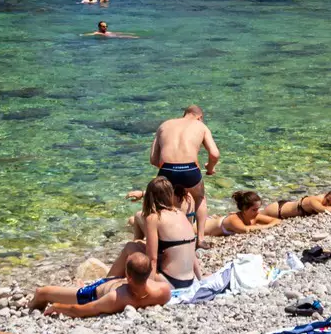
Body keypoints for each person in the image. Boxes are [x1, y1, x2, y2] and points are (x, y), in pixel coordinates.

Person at [113, 177, 201, 293]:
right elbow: (191, 251)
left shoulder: (154, 218)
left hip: (171, 282)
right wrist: (200, 279)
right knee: (138, 244)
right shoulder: (180, 214)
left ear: (149, 197)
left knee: (130, 247)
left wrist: (149, 287)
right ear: (170, 195)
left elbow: (152, 259)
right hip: (189, 280)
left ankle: (107, 281)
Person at [150, 105, 220, 237]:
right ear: (200, 117)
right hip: (190, 169)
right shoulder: (201, 126)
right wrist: (210, 169)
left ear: (184, 114)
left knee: (163, 204)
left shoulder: (164, 125)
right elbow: (215, 154)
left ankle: (163, 237)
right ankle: (200, 239)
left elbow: (153, 159)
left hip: (167, 169)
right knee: (199, 199)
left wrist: (172, 170)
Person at [32, 252, 172, 317]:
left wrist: (57, 307)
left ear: (128, 275)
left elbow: (81, 310)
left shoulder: (115, 298)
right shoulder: (163, 291)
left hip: (92, 293)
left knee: (42, 292)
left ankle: (30, 308)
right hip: (116, 283)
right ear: (149, 274)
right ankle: (78, 285)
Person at [212, 190, 281, 236]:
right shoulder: (233, 219)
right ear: (244, 209)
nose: (258, 212)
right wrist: (267, 225)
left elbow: (277, 220)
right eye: (254, 209)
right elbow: (246, 230)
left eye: (258, 209)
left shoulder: (255, 216)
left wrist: (260, 226)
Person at [262, 187, 331, 218]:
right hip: (276, 210)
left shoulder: (324, 199)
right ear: (325, 194)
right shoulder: (312, 201)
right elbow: (324, 210)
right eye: (328, 200)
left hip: (285, 207)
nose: (327, 204)